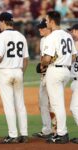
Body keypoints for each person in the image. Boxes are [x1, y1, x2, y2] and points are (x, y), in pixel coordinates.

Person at [0, 12, 29, 144]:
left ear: (4, 22)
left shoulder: (1, 37)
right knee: (20, 105)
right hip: (18, 71)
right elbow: (26, 59)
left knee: (9, 105)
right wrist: (21, 72)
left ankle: (13, 135)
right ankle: (24, 134)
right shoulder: (21, 36)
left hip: (5, 72)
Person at [41, 10, 77, 144]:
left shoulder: (51, 37)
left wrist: (43, 63)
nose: (45, 22)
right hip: (66, 71)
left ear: (51, 21)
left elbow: (46, 59)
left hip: (55, 71)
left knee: (57, 104)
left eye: (46, 20)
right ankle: (62, 132)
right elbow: (73, 57)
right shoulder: (67, 35)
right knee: (58, 103)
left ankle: (62, 133)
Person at [32, 18, 56, 139]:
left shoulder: (54, 39)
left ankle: (56, 130)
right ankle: (47, 129)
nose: (40, 29)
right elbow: (43, 58)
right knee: (42, 104)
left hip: (53, 73)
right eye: (39, 27)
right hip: (44, 75)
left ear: (49, 28)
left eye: (42, 27)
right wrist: (41, 68)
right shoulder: (42, 40)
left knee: (53, 104)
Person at [68, 24, 78, 144]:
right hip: (75, 81)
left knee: (74, 108)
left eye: (73, 31)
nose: (72, 34)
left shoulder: (75, 45)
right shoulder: (74, 45)